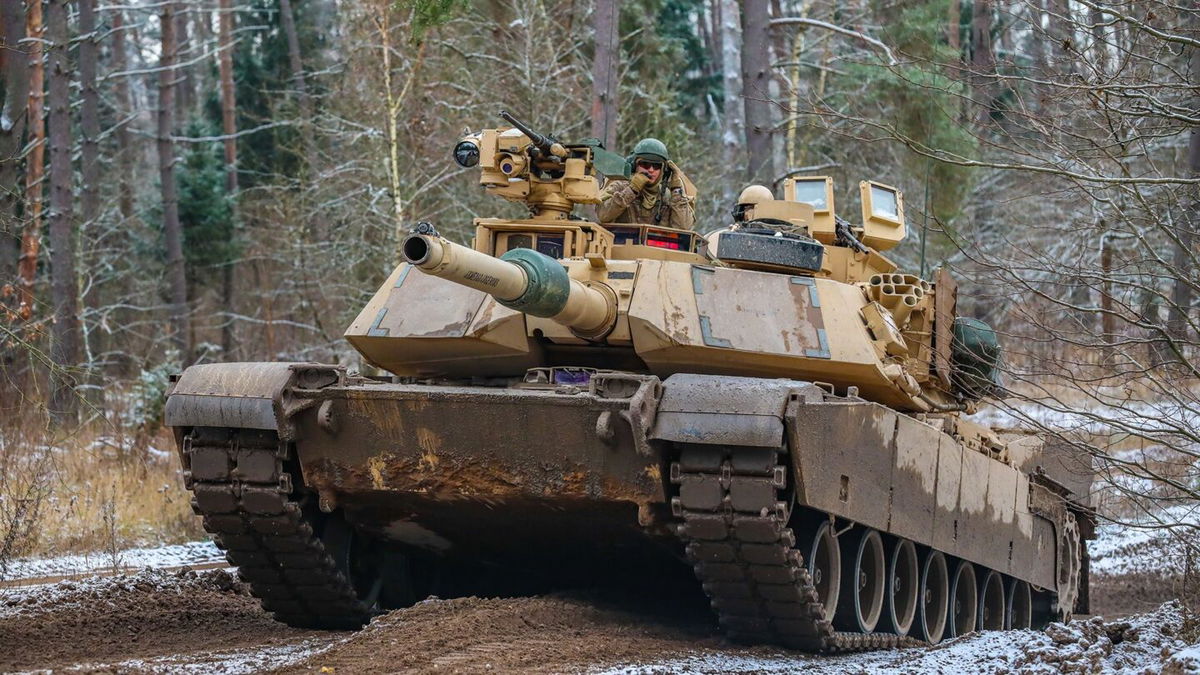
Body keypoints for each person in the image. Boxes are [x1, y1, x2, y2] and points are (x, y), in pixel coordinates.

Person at [598, 138, 696, 230]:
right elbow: (603, 215)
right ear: (634, 166)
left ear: (663, 170)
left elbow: (684, 228)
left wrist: (676, 189)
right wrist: (632, 190)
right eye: (645, 164)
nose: (651, 170)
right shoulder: (619, 187)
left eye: (656, 166)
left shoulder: (669, 197)